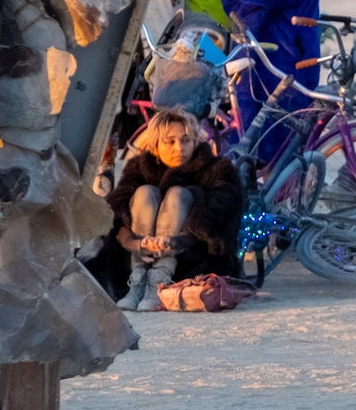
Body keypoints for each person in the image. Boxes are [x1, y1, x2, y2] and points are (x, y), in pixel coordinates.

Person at [91, 108, 246, 309]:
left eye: (185, 140)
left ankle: (159, 282)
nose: (179, 148)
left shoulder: (217, 170)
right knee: (145, 192)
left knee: (178, 194)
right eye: (170, 142)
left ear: (195, 141)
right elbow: (115, 216)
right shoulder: (139, 168)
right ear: (155, 144)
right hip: (135, 262)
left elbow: (220, 222)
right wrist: (136, 244)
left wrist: (176, 242)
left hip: (192, 262)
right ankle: (137, 284)